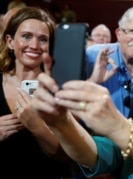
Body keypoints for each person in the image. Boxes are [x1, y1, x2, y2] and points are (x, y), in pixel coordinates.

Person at [0, 6, 75, 178]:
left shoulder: (62, 89)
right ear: (10, 41)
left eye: (43, 39)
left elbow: (67, 156)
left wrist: (37, 126)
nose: (34, 45)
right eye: (26, 36)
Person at [85, 6, 133, 117]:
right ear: (119, 34)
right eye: (132, 31)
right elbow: (67, 100)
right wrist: (93, 81)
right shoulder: (92, 57)